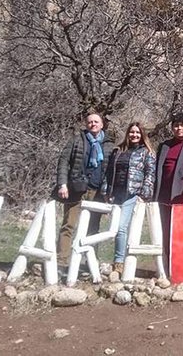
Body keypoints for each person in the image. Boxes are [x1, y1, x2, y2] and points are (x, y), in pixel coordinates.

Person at [55, 112, 114, 268]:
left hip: (97, 192)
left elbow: (111, 169)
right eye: (90, 122)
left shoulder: (109, 145)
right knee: (69, 224)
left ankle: (89, 262)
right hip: (76, 189)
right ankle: (61, 262)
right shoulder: (76, 141)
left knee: (93, 228)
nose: (93, 124)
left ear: (102, 124)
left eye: (96, 122)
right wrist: (62, 184)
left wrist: (108, 192)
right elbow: (63, 162)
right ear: (86, 124)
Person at [106, 122, 155, 275]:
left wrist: (144, 194)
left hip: (132, 194)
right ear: (128, 133)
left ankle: (119, 262)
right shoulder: (118, 151)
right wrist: (106, 191)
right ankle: (121, 258)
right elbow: (109, 173)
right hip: (116, 193)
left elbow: (150, 174)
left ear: (142, 135)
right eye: (132, 132)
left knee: (121, 227)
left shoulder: (147, 152)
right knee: (115, 228)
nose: (134, 135)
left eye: (138, 133)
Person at [154, 113, 183, 269]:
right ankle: (166, 265)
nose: (179, 128)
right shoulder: (164, 146)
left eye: (182, 125)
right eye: (176, 125)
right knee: (164, 230)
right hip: (163, 194)